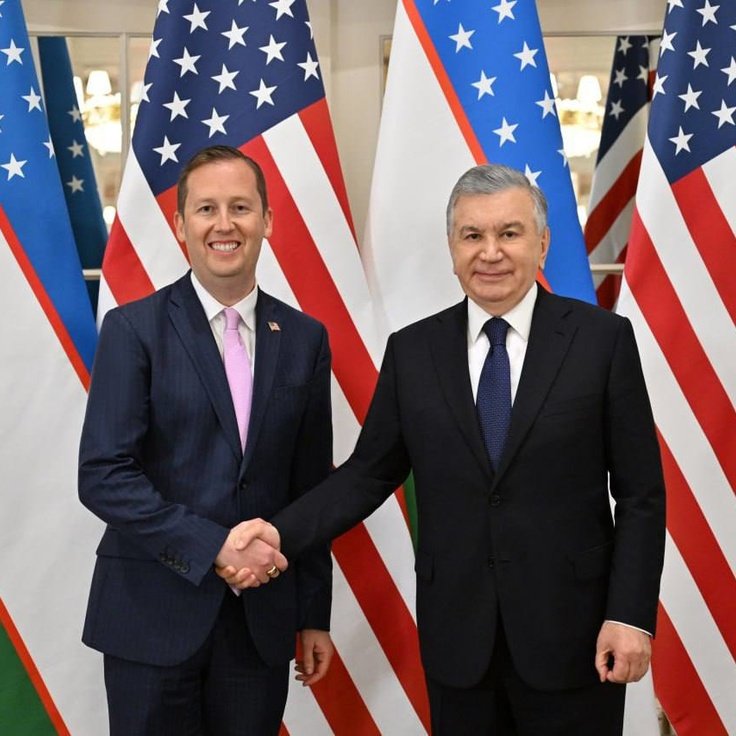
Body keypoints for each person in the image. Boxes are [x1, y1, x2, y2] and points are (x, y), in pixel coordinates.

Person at [220, 164, 666, 735]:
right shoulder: (413, 352)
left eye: (509, 233)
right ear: (452, 248)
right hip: (459, 640)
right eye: (472, 235)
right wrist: (277, 534)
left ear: (542, 243)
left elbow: (641, 495)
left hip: (576, 637)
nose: (490, 252)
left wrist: (630, 616)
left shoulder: (602, 341)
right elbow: (366, 475)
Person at [78, 145, 335, 736]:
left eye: (241, 207)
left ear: (267, 221)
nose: (225, 224)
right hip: (152, 616)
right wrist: (215, 546)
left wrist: (312, 611)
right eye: (206, 209)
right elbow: (103, 475)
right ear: (180, 225)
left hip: (259, 622)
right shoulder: (133, 329)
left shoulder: (304, 338)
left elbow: (310, 489)